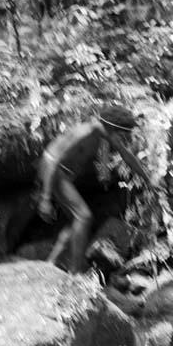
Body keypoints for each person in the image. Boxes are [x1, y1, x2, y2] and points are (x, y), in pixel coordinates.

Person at [37, 105, 150, 273]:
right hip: (52, 170)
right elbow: (53, 161)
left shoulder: (104, 133)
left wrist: (148, 179)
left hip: (64, 175)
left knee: (76, 220)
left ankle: (51, 263)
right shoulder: (85, 132)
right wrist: (45, 199)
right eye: (123, 133)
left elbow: (127, 156)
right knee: (83, 216)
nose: (125, 138)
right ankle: (75, 273)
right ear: (112, 127)